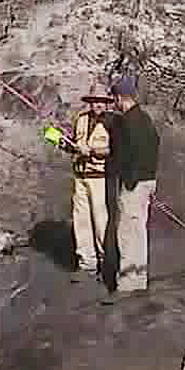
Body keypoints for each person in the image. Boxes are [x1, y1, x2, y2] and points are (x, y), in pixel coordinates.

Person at [105, 73, 158, 293]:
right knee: (139, 232)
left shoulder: (127, 123)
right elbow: (154, 146)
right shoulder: (145, 119)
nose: (114, 103)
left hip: (133, 185)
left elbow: (126, 155)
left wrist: (127, 179)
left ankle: (127, 284)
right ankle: (138, 279)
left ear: (120, 97)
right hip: (147, 181)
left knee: (127, 233)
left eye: (114, 98)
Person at [61, 89, 114, 281]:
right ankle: (87, 264)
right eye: (94, 101)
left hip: (101, 178)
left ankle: (106, 263)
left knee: (102, 221)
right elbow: (72, 141)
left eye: (101, 101)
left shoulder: (114, 122)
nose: (98, 105)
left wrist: (91, 150)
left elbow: (115, 149)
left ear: (107, 103)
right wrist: (64, 142)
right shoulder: (81, 119)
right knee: (81, 221)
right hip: (80, 177)